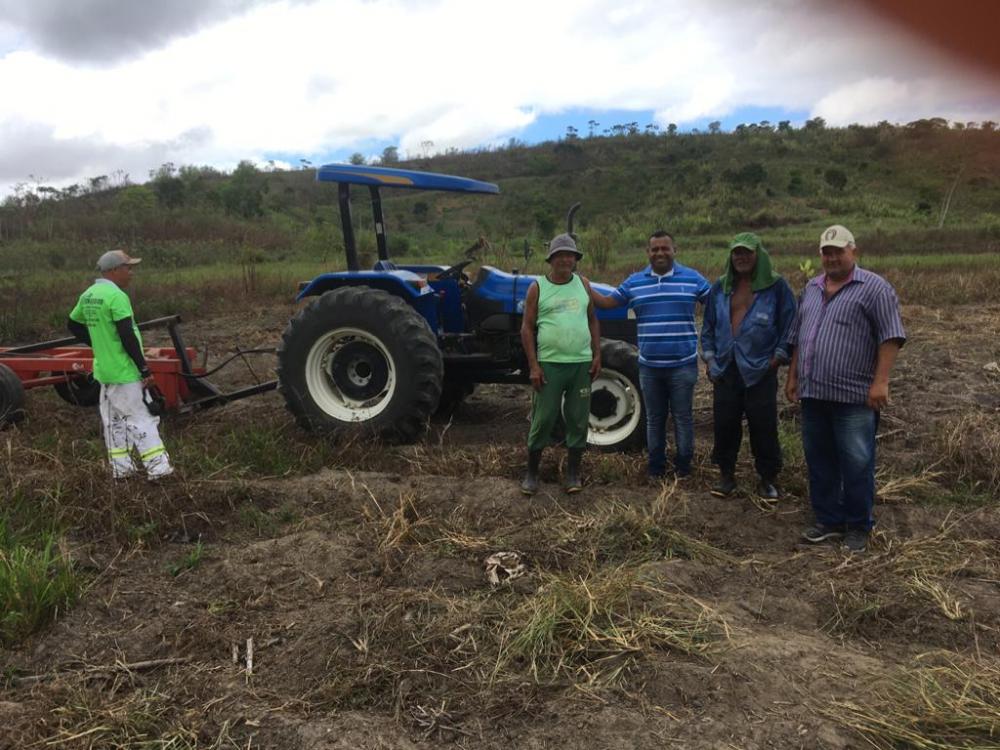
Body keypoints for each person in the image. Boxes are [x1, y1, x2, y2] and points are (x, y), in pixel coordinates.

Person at [785, 225, 905, 552]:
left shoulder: (874, 288)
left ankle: (858, 526)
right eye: (827, 251)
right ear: (820, 254)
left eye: (839, 250)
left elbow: (891, 336)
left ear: (853, 251)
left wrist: (881, 381)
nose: (832, 257)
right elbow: (799, 337)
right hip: (814, 395)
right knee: (820, 461)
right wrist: (793, 376)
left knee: (856, 462)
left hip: (854, 398)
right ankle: (828, 520)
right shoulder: (811, 288)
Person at [590, 231, 710, 479]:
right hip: (649, 366)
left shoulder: (693, 278)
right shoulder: (635, 282)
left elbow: (717, 304)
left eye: (665, 248)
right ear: (648, 253)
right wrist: (582, 284)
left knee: (683, 418)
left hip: (683, 365)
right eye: (655, 249)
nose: (660, 253)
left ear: (674, 250)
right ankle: (656, 468)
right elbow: (606, 303)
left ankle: (684, 468)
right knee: (654, 419)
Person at [701, 232, 796, 501]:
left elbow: (790, 327)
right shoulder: (720, 287)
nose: (741, 257)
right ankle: (726, 476)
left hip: (760, 370)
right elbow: (707, 327)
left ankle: (767, 479)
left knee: (763, 426)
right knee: (725, 424)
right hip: (725, 368)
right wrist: (709, 359)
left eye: (747, 252)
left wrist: (776, 359)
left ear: (759, 255)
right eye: (736, 253)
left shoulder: (777, 287)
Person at [68, 250, 174, 481]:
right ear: (114, 270)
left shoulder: (89, 294)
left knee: (114, 422)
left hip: (104, 371)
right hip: (124, 371)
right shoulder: (116, 297)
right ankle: (159, 470)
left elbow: (73, 324)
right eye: (128, 268)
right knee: (142, 418)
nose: (131, 272)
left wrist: (99, 342)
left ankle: (122, 471)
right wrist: (144, 369)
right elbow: (127, 335)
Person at [520, 234, 601, 495]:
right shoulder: (538, 287)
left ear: (575, 260)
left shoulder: (583, 284)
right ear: (551, 259)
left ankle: (573, 475)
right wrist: (534, 366)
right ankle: (532, 474)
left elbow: (592, 321)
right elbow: (526, 328)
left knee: (578, 420)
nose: (566, 259)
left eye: (570, 255)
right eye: (560, 255)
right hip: (550, 365)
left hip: (581, 364)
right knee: (544, 419)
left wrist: (597, 354)